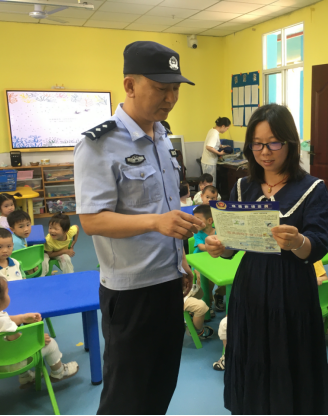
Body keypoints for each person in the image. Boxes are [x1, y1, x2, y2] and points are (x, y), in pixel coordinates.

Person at [74, 41, 204, 415]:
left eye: (175, 89)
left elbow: (167, 205)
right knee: (126, 397)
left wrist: (181, 261)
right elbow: (92, 220)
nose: (171, 98)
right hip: (131, 293)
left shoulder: (161, 137)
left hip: (168, 283)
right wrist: (155, 222)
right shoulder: (99, 144)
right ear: (129, 85)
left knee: (161, 385)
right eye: (161, 88)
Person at [205, 103, 328, 414]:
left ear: (290, 143)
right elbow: (235, 243)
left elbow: (319, 244)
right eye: (257, 144)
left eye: (274, 143)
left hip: (291, 290)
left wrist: (298, 242)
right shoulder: (242, 186)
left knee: (290, 357)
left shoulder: (312, 188)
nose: (265, 152)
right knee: (251, 354)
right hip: (250, 288)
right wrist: (221, 246)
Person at [0, 276, 79, 387]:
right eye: (7, 292)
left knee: (7, 345)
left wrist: (22, 318)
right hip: (9, 363)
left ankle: (26, 377)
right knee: (51, 344)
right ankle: (59, 372)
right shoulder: (2, 322)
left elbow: (2, 320)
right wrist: (37, 340)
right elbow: (19, 343)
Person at [192, 204, 223, 314]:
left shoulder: (218, 231)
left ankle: (219, 295)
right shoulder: (197, 233)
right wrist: (215, 247)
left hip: (216, 261)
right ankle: (206, 304)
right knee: (203, 279)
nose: (194, 223)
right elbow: (201, 247)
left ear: (210, 220)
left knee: (226, 278)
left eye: (198, 219)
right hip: (199, 262)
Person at [200, 117, 231, 186]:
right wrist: (219, 153)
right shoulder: (214, 134)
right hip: (209, 163)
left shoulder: (212, 130)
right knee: (209, 185)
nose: (226, 130)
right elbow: (208, 147)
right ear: (223, 126)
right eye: (227, 128)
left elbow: (215, 144)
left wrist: (223, 146)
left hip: (207, 161)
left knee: (207, 184)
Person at [8, 210, 39, 275]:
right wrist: (34, 267)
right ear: (12, 229)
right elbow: (23, 259)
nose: (26, 229)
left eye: (28, 225)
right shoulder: (16, 242)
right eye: (21, 227)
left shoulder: (20, 236)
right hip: (18, 269)